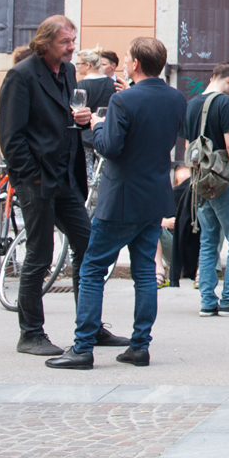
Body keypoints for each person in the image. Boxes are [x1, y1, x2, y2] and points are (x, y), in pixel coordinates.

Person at [47, 38, 182, 370]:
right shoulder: (176, 98)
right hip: (153, 196)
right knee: (145, 274)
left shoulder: (123, 100)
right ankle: (140, 345)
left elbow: (109, 147)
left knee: (92, 269)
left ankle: (82, 347)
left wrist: (95, 125)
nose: (123, 62)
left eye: (126, 58)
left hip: (121, 197)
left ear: (135, 64)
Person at [0, 16, 123, 356]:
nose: (72, 48)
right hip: (37, 179)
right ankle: (31, 334)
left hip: (66, 176)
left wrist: (78, 118)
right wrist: (32, 175)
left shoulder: (67, 72)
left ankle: (90, 327)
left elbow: (62, 114)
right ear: (45, 43)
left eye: (73, 40)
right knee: (40, 255)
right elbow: (11, 138)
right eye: (66, 42)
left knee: (89, 246)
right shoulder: (21, 76)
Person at [187, 64, 229, 316]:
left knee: (208, 241)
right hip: (222, 181)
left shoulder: (193, 103)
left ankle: (207, 301)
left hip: (201, 181)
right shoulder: (224, 103)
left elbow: (190, 146)